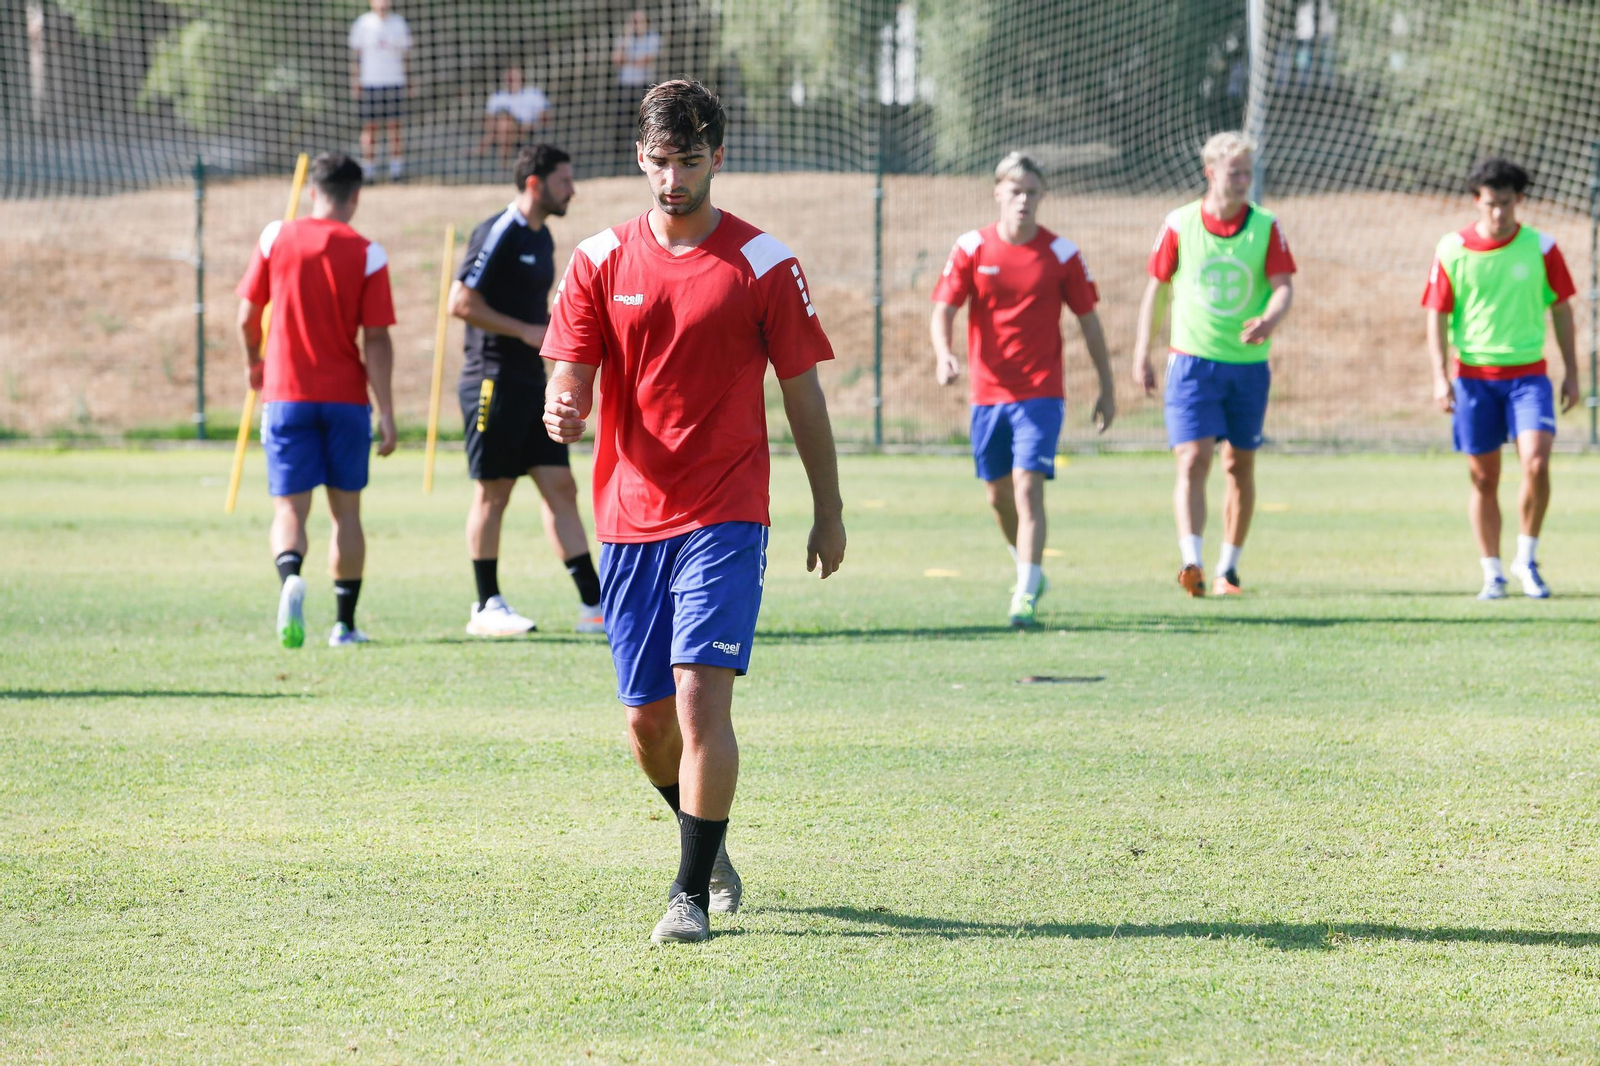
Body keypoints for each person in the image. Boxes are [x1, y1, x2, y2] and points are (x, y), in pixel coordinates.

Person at [541, 79, 845, 944]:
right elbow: (571, 374)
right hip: (631, 515)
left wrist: (829, 509)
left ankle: (685, 894)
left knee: (700, 701)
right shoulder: (599, 258)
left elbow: (804, 397)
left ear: (720, 155)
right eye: (659, 162)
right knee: (645, 725)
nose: (672, 178)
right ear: (641, 157)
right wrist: (563, 407)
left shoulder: (764, 264)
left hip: (727, 510)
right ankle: (705, 841)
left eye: (689, 161)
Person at [930, 152, 1114, 628]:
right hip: (987, 394)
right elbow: (944, 310)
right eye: (1016, 191)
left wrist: (1107, 387)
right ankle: (1025, 565)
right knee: (998, 495)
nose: (1024, 200)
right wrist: (943, 353)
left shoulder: (1063, 255)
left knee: (1027, 486)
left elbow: (1090, 324)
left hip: (1041, 392)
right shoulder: (972, 247)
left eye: (1032, 192)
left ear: (1042, 196)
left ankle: (1026, 590)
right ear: (998, 193)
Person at [235, 152, 397, 648]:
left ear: (312, 192)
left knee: (289, 510)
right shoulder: (368, 252)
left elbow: (245, 315)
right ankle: (344, 625)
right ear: (355, 197)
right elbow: (376, 339)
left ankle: (290, 580)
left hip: (285, 396)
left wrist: (254, 364)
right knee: (346, 514)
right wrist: (386, 409)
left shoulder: (274, 237)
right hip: (346, 400)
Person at [1132, 131, 1296, 597]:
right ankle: (1192, 562)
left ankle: (1229, 569)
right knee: (1192, 457)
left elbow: (1283, 285)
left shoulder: (1266, 225)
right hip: (1191, 362)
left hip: (1247, 366)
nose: (1243, 180)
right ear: (1210, 173)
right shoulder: (1180, 223)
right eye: (1234, 172)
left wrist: (1270, 318)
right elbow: (1157, 289)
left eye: (1248, 172)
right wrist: (1143, 349)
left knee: (1238, 466)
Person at [448, 144, 604, 637]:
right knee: (494, 492)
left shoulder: (546, 238)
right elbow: (461, 301)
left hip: (529, 384)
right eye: (564, 181)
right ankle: (486, 604)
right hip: (490, 381)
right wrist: (524, 330)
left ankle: (595, 607)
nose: (572, 190)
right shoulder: (500, 231)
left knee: (561, 485)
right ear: (534, 184)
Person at [1422, 157, 1579, 599]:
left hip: (1529, 377)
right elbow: (1436, 314)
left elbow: (1563, 310)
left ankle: (1526, 560)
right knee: (1484, 478)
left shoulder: (1542, 247)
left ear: (1519, 201)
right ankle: (1492, 572)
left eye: (1506, 204)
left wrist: (1572, 373)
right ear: (1476, 201)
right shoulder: (1451, 248)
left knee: (1536, 462)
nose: (1498, 213)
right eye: (1490, 204)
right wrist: (1439, 376)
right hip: (1473, 379)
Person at [348, 0, 412, 183]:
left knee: (395, 127)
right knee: (370, 127)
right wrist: (355, 81)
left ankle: (396, 171)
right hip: (370, 83)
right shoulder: (362, 23)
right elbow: (356, 57)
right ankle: (368, 172)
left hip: (394, 81)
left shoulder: (399, 23)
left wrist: (409, 80)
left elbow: (407, 55)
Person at [610, 10, 661, 172]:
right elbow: (617, 60)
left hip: (644, 86)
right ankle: (618, 162)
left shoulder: (653, 38)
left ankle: (644, 159)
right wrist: (626, 38)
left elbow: (646, 61)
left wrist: (629, 60)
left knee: (644, 123)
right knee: (621, 124)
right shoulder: (624, 39)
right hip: (625, 87)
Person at [477, 66, 551, 162]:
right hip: (500, 128)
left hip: (526, 129)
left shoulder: (533, 94)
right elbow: (488, 120)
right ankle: (502, 160)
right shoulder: (497, 96)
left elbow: (545, 117)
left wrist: (531, 126)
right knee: (505, 124)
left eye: (514, 78)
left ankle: (484, 152)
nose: (511, 81)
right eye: (508, 78)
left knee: (505, 124)